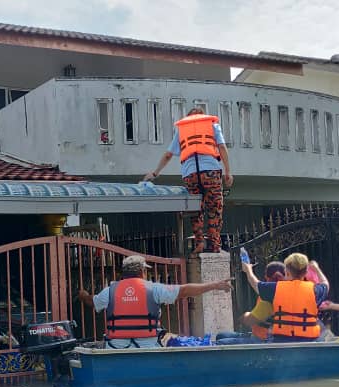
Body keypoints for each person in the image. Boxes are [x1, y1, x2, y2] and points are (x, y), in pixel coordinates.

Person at [79, 255, 232, 348]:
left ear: (124, 273)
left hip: (115, 347)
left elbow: (91, 302)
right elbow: (184, 290)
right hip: (147, 347)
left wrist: (83, 294)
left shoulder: (110, 290)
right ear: (142, 272)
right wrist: (215, 285)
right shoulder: (154, 289)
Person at [143, 108, 233, 254]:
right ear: (203, 116)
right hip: (211, 172)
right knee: (215, 208)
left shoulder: (182, 130)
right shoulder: (212, 125)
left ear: (188, 118)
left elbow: (168, 154)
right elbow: (222, 147)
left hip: (190, 174)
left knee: (195, 208)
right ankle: (215, 244)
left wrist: (155, 173)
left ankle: (199, 242)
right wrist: (228, 172)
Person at [241, 253, 329, 342]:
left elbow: (254, 283)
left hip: (281, 343)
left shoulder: (275, 289)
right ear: (305, 273)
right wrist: (316, 269)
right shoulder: (314, 291)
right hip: (308, 342)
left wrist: (248, 270)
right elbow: (325, 284)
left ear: (287, 272)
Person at [216, 261, 286, 345]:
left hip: (263, 340)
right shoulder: (270, 291)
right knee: (221, 335)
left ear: (266, 276)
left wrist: (245, 315)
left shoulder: (270, 295)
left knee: (220, 343)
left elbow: (250, 321)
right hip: (256, 335)